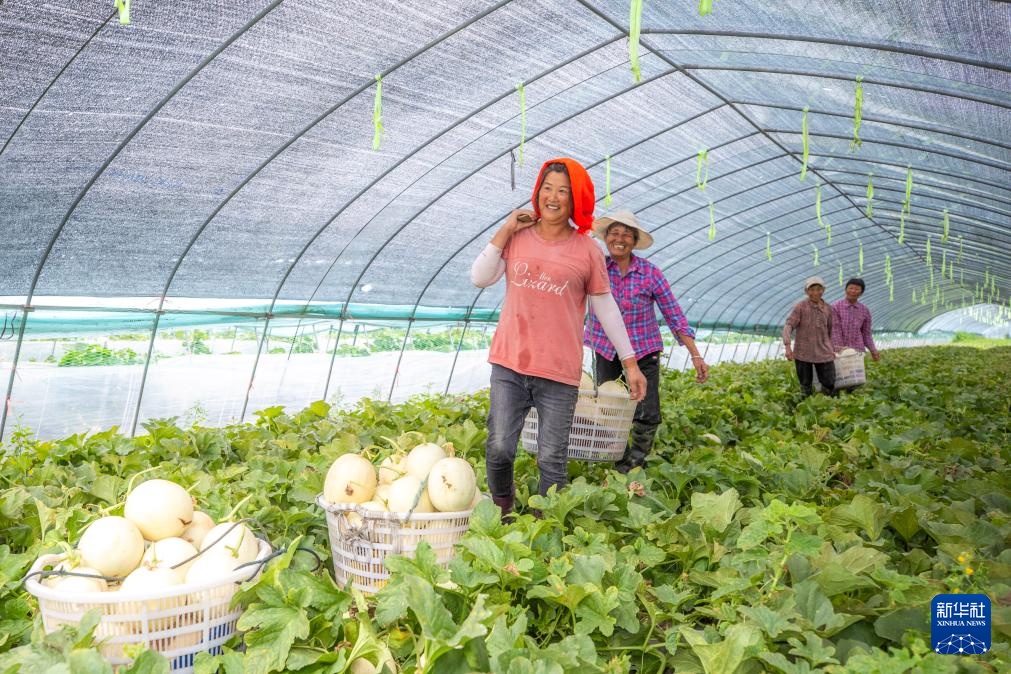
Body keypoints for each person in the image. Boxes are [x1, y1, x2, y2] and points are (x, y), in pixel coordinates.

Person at [470, 158, 646, 517]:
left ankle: (545, 524)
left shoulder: (588, 252)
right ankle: (502, 509)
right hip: (510, 362)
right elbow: (480, 277)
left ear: (575, 200)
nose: (553, 197)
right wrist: (504, 229)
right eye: (547, 188)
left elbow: (606, 308)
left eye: (563, 191)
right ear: (537, 193)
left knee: (552, 456)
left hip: (559, 371)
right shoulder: (517, 238)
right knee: (499, 447)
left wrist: (630, 362)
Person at [583, 211, 709, 473]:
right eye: (614, 233)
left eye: (627, 234)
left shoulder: (650, 273)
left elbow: (674, 314)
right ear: (605, 238)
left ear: (634, 241)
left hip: (644, 351)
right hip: (607, 350)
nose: (620, 239)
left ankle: (635, 462)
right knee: (608, 408)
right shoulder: (596, 269)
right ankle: (618, 459)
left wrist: (695, 354)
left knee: (647, 409)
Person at [783, 276, 836, 398]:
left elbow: (829, 330)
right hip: (803, 352)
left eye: (818, 289)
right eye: (811, 290)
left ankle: (826, 406)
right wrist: (787, 346)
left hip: (824, 352)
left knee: (829, 383)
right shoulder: (800, 307)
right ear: (806, 291)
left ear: (823, 290)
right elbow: (789, 325)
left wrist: (831, 347)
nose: (815, 292)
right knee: (805, 385)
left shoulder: (828, 308)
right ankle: (807, 408)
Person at [831, 277, 881, 362]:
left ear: (861, 293)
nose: (853, 291)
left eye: (857, 289)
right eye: (851, 288)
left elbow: (866, 334)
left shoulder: (864, 310)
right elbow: (835, 331)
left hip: (858, 351)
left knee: (857, 374)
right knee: (841, 374)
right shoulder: (836, 307)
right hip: (839, 352)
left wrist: (873, 350)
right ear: (845, 289)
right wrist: (842, 351)